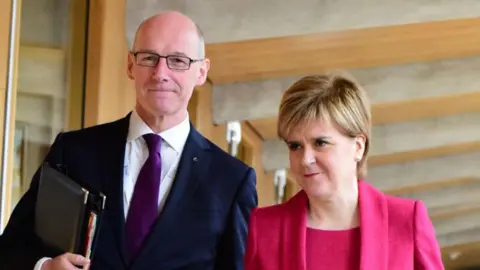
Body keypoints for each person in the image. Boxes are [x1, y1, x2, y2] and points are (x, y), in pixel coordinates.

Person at [0, 11, 257, 270]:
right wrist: (44, 267)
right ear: (130, 65)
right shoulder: (73, 152)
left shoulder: (231, 180)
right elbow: (10, 250)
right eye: (149, 58)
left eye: (178, 61)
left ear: (201, 72)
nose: (160, 73)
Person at [244, 72, 444, 270]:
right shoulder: (263, 228)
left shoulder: (406, 221)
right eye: (295, 146)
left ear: (358, 146)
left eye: (320, 143)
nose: (305, 159)